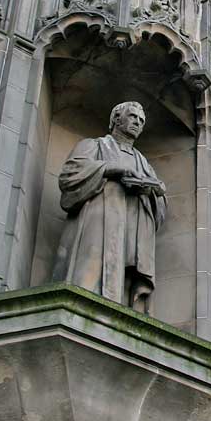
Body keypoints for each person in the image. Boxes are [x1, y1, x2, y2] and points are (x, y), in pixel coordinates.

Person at [52, 101, 166, 314]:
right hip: (99, 218)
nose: (137, 123)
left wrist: (154, 192)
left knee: (123, 277)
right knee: (90, 270)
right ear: (116, 119)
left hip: (132, 228)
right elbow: (69, 176)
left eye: (141, 121)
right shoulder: (94, 146)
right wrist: (111, 169)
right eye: (133, 117)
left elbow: (159, 211)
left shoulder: (144, 163)